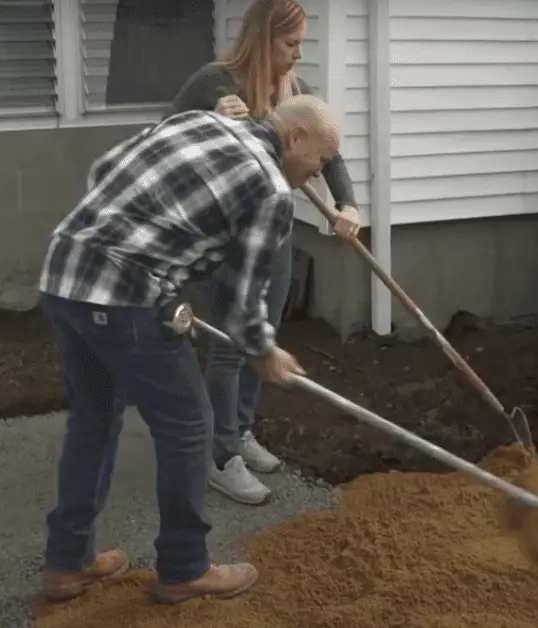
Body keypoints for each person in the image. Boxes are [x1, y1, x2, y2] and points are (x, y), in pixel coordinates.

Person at [36, 94, 342, 605]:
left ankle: (68, 562)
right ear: (295, 138)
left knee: (93, 421)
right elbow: (245, 297)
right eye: (322, 160)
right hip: (124, 296)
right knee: (191, 427)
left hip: (65, 272)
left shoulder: (201, 121)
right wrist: (264, 350)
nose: (320, 173)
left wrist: (143, 242)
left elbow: (106, 170)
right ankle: (185, 567)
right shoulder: (269, 190)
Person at [169, 0, 361, 506]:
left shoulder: (294, 90)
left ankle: (241, 430)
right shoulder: (215, 82)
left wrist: (347, 204)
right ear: (262, 38)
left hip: (272, 232)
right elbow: (166, 137)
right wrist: (210, 119)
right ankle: (220, 457)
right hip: (225, 236)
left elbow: (330, 154)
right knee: (232, 346)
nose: (297, 54)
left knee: (264, 337)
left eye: (301, 43)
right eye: (289, 43)